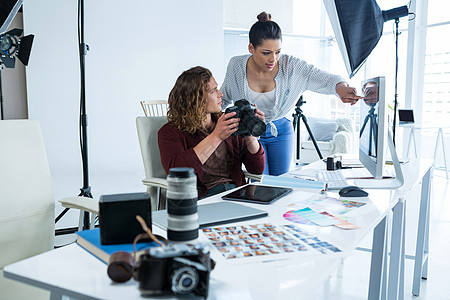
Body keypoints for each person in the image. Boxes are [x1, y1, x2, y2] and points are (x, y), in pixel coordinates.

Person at [221, 12, 362, 176]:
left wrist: (341, 87)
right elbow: (223, 98)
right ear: (251, 48)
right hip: (249, 133)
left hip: (280, 131)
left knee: (281, 181)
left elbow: (323, 78)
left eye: (277, 52)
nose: (273, 59)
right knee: (259, 181)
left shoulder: (291, 66)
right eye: (266, 53)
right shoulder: (236, 65)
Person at [158, 66, 265, 199]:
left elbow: (257, 170)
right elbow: (177, 173)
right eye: (213, 91)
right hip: (202, 198)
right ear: (195, 99)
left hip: (236, 193)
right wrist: (216, 136)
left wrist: (250, 134)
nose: (221, 94)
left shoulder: (228, 122)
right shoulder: (169, 132)